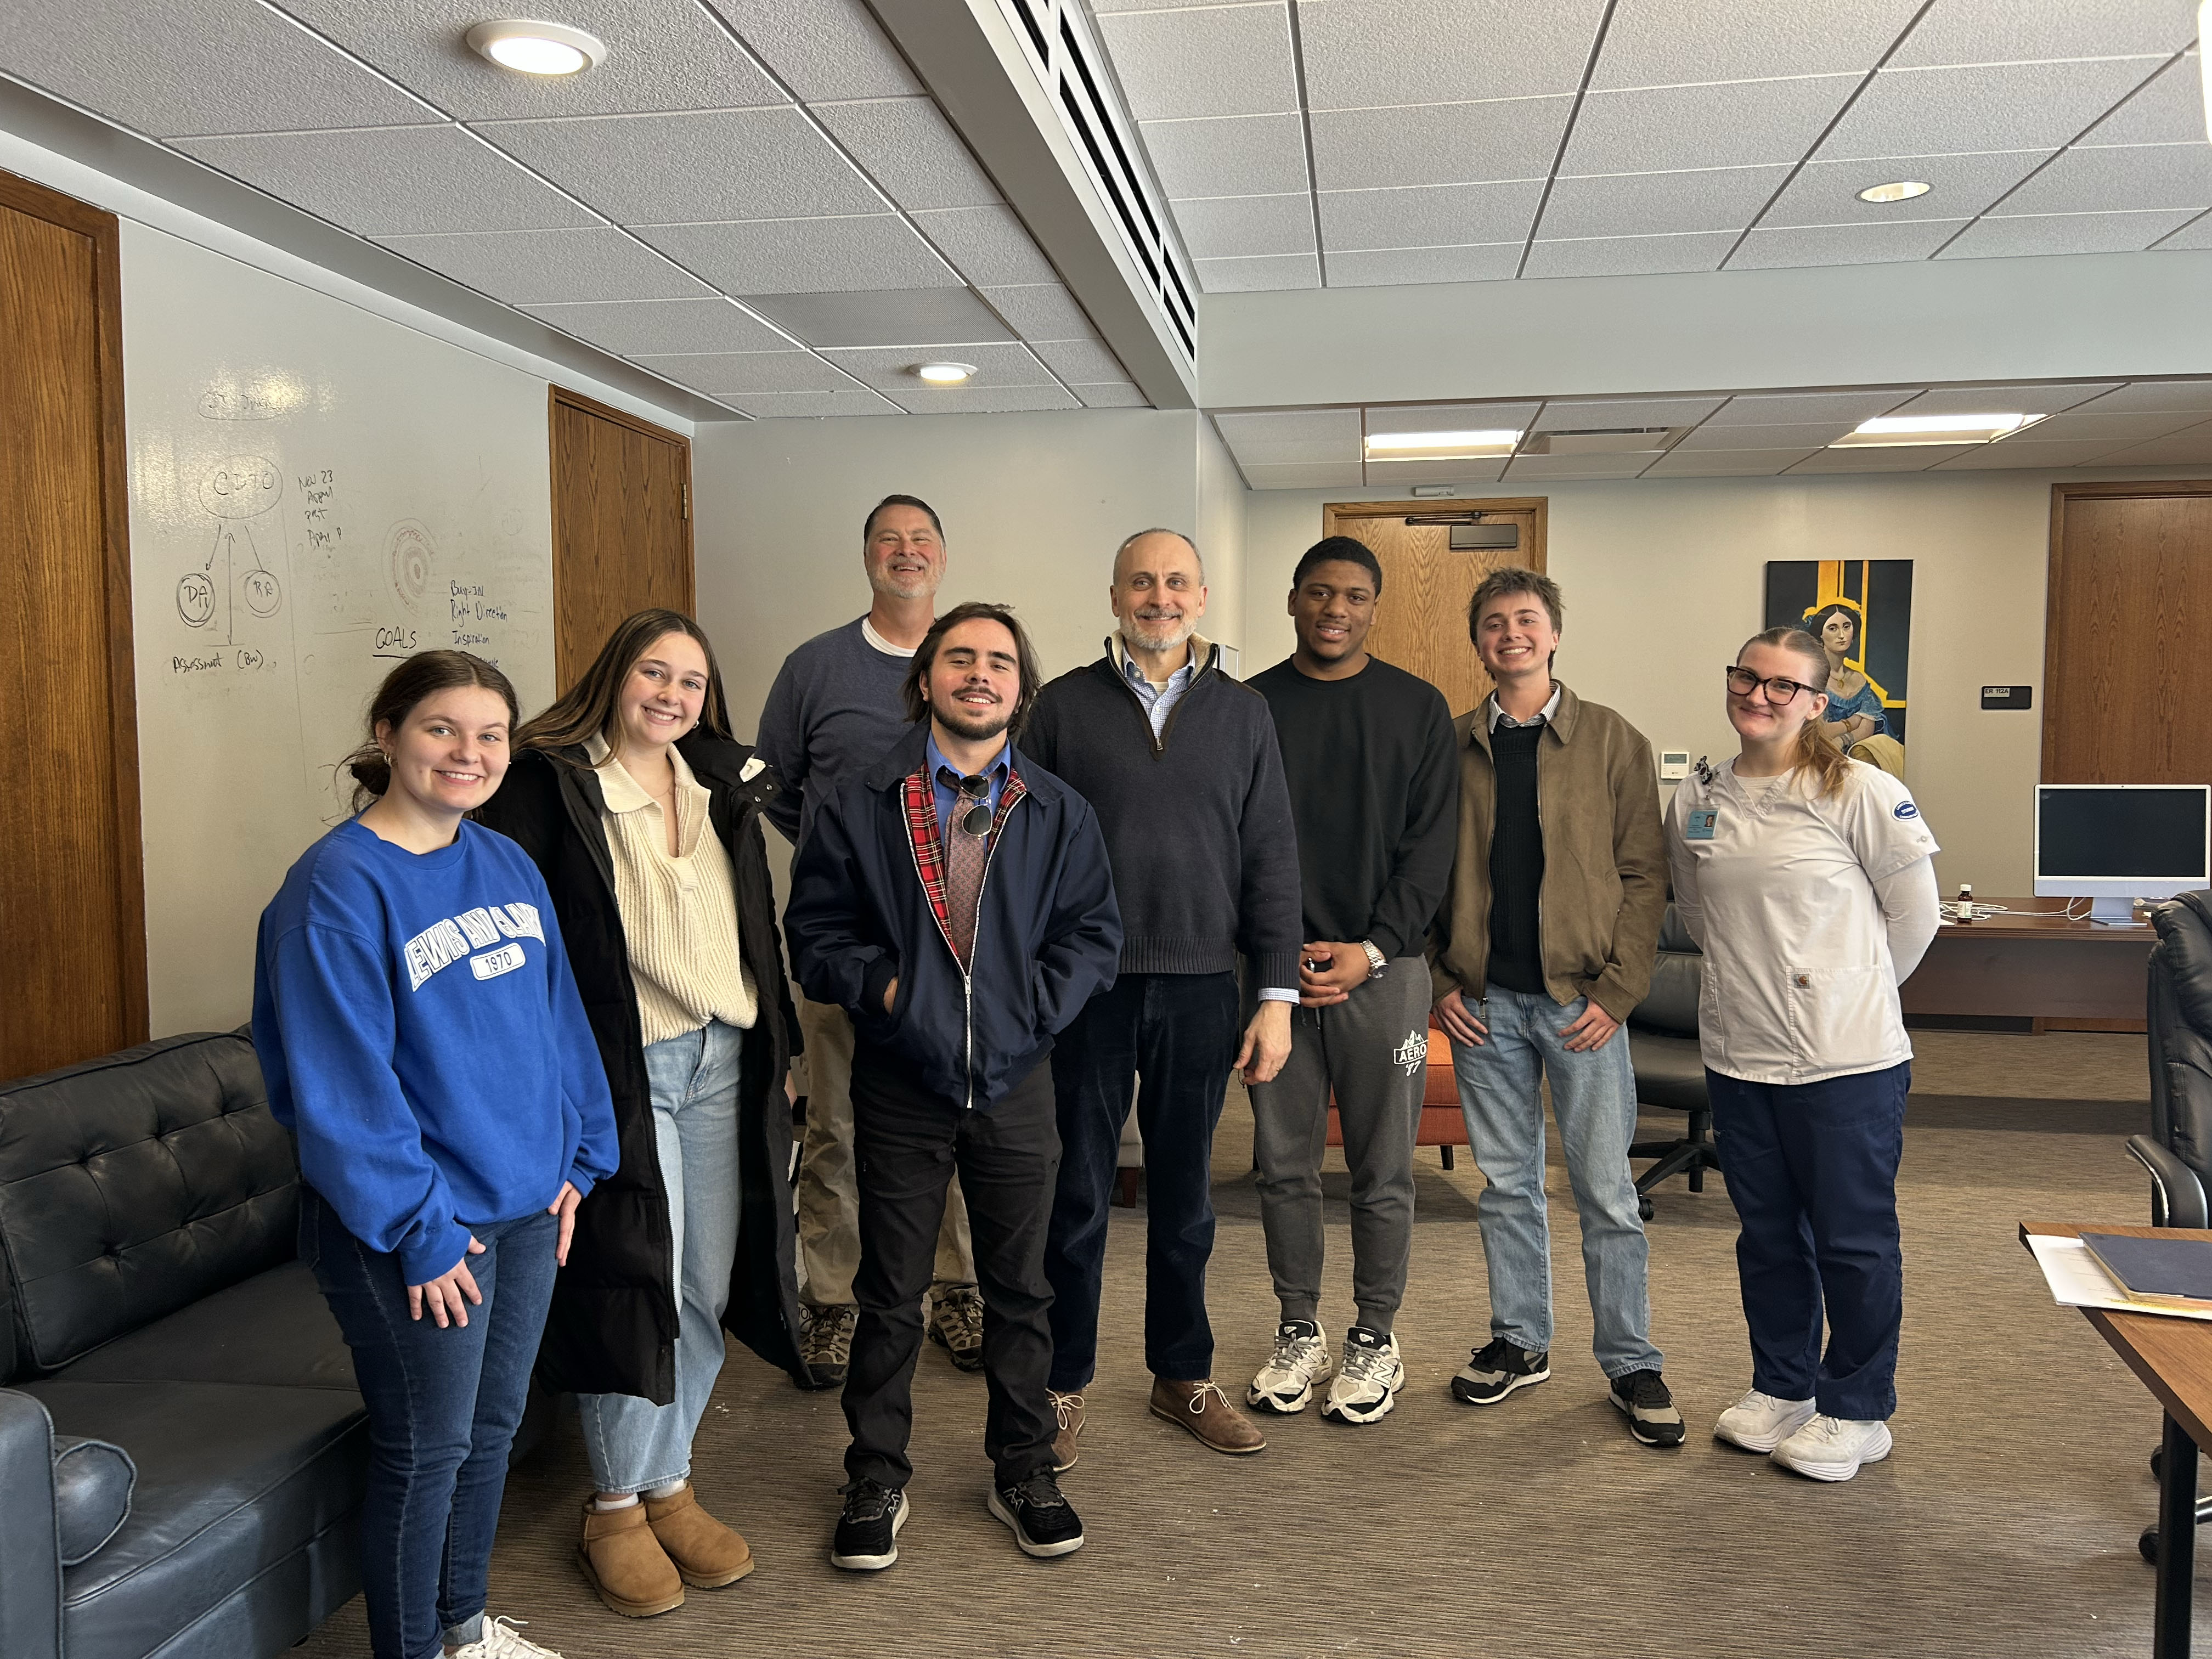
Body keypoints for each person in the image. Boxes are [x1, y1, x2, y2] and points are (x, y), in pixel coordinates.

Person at [252, 651, 618, 1659]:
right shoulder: (334, 888)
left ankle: (463, 1628)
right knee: (426, 1449)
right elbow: (340, 1090)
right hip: (415, 1227)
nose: (469, 752)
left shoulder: (504, 861)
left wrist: (578, 1160)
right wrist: (420, 1230)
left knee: (493, 1429)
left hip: (527, 1206)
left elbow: (558, 1024)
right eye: (441, 728)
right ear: (387, 734)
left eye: (490, 732)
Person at [476, 610, 805, 1618]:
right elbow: (514, 940)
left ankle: (670, 1478)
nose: (671, 694)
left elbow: (756, 928)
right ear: (613, 676)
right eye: (653, 673)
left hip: (727, 1058)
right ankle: (614, 1503)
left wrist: (783, 1052)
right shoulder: (554, 786)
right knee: (635, 1279)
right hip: (623, 1067)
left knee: (703, 1281)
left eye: (692, 682)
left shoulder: (720, 787)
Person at [786, 601, 1122, 1570]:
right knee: (891, 1293)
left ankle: (1022, 1463)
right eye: (960, 657)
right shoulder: (861, 798)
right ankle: (875, 1472)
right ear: (926, 676)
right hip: (901, 1078)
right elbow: (815, 935)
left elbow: (1092, 935)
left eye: (999, 662)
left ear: (1021, 687)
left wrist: (1028, 1013)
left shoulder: (1058, 809)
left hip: (1019, 1083)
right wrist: (889, 989)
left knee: (1020, 1287)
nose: (979, 673)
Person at [1023, 528, 1300, 1464]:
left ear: (1204, 596)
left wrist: (1273, 995)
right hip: (1085, 989)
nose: (1159, 595)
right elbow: (1023, 855)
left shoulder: (1245, 712)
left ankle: (1181, 1372)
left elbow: (1270, 857)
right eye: (1141, 580)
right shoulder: (1058, 707)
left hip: (1199, 986)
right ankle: (1061, 1383)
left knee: (1186, 1198)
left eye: (1176, 581)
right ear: (1113, 594)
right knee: (1077, 1195)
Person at [1668, 627, 1939, 1482]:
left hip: (1846, 1061)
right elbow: (1698, 910)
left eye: (1784, 685)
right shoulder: (1698, 794)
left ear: (1819, 703)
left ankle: (1859, 1406)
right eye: (1747, 677)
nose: (1760, 694)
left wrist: (1847, 992)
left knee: (1854, 1239)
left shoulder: (1861, 790)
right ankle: (1783, 1385)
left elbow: (1915, 919)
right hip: (1740, 1053)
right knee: (1770, 1237)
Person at [1430, 567, 1683, 1448]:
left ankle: (1630, 1360)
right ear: (1479, 643)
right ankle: (1519, 1341)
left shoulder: (1614, 741)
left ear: (1555, 634)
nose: (1512, 635)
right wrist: (1438, 984)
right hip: (1484, 1006)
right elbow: (1423, 872)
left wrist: (1619, 995)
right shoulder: (1452, 743)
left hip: (1582, 1006)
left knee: (1607, 1191)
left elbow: (1648, 879)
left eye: (1528, 621)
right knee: (1506, 1187)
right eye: (1494, 623)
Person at [757, 495, 985, 1386]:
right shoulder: (814, 667)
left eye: (921, 537)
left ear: (942, 555)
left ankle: (956, 1288)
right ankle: (831, 1303)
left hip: (953, 944)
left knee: (952, 1120)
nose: (905, 550)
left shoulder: (969, 663)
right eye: (888, 538)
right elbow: (777, 791)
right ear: (866, 558)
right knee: (835, 1129)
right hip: (839, 944)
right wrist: (836, 859)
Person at [1244, 537, 1458, 1423]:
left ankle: (1375, 1333)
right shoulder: (1247, 705)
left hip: (1385, 968)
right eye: (1320, 592)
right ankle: (1300, 1327)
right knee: (1281, 1165)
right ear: (1293, 599)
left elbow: (1431, 847)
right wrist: (1276, 951)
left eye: (1355, 596)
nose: (1336, 608)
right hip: (1275, 975)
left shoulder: (1417, 707)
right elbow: (1238, 841)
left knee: (1381, 1168)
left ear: (1375, 606)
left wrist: (1370, 947)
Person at [1806, 602, 1907, 780]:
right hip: (1820, 751)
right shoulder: (1812, 678)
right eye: (1833, 628)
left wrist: (1843, 740)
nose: (1842, 635)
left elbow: (1868, 726)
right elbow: (1819, 732)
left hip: (1856, 748)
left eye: (1847, 627)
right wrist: (1852, 722)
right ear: (1820, 635)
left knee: (1870, 753)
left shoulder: (1859, 679)